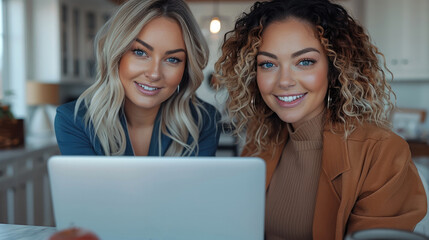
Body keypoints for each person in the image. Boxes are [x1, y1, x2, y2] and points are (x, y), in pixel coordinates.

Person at [214, 0, 427, 239]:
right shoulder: (260, 142)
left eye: (305, 62)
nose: (284, 81)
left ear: (334, 68)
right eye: (268, 64)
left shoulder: (381, 152)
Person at [55, 0, 220, 156]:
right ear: (116, 54)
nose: (154, 74)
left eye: (172, 59)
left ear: (186, 68)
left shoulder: (204, 121)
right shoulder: (74, 121)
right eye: (140, 52)